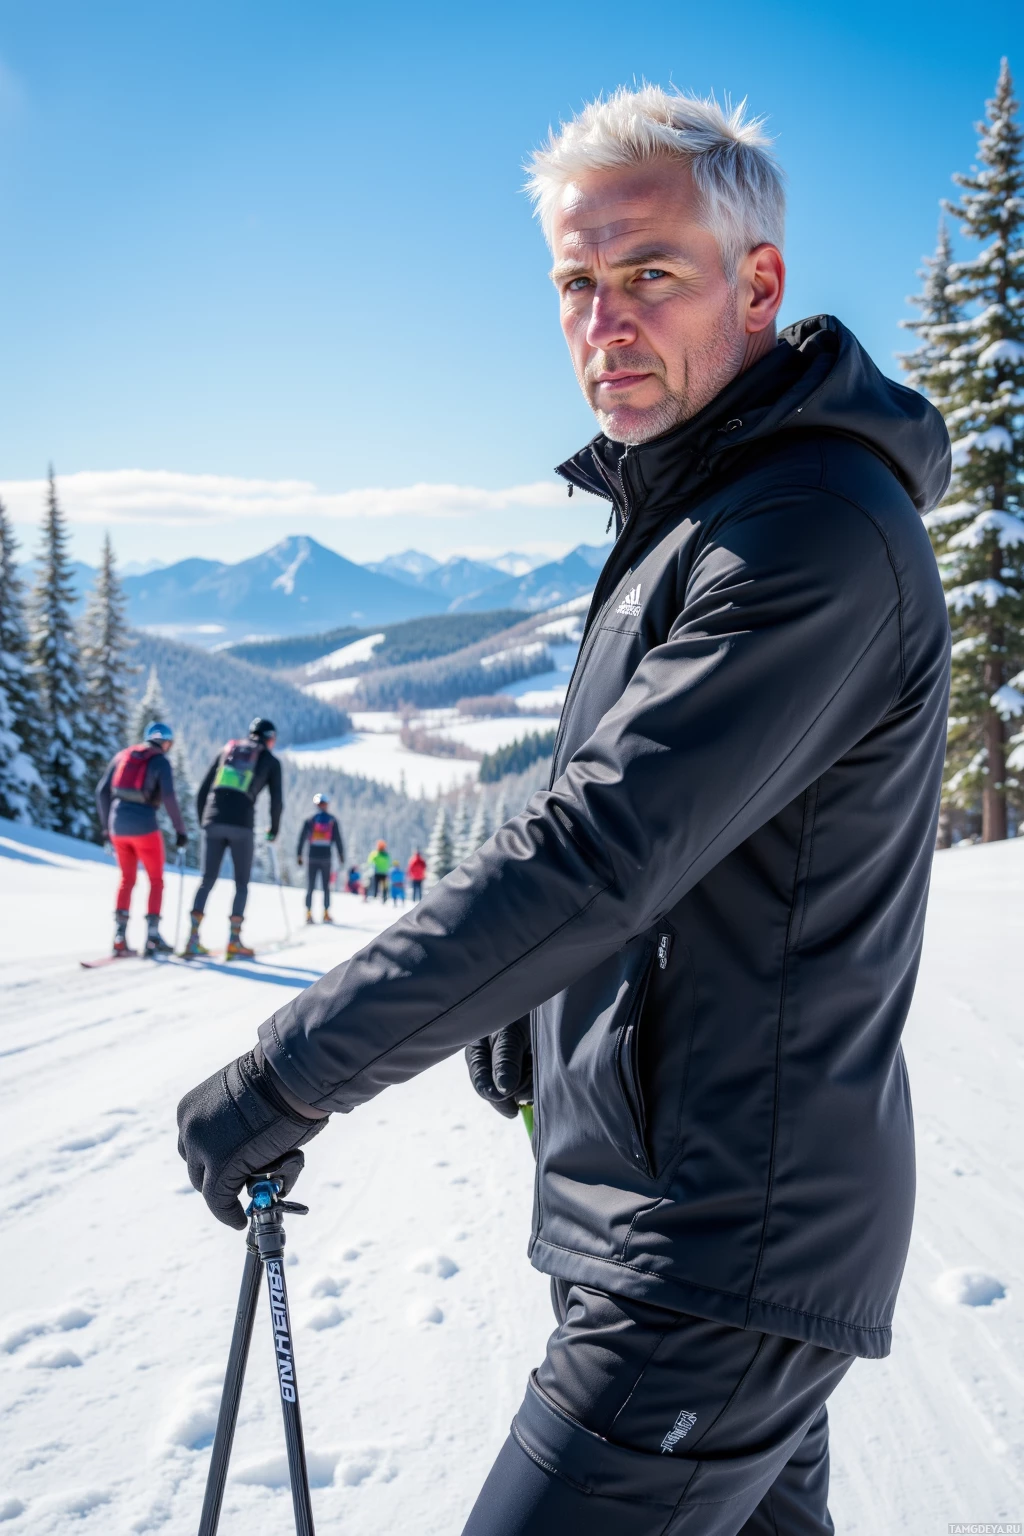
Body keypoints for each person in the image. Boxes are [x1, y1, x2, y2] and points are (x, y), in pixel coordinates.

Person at [178, 86, 952, 1536]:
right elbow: (693, 854)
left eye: (649, 273)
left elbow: (600, 851)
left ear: (760, 283)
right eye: (578, 284)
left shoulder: (807, 535)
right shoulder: (695, 515)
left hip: (714, 1249)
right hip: (681, 1218)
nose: (605, 320)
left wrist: (290, 1075)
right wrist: (525, 1017)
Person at [185, 717, 282, 960]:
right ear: (269, 738)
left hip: (213, 821)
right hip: (242, 824)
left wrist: (204, 821)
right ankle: (234, 941)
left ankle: (192, 939)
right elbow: (277, 801)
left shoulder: (227, 750)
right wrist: (274, 830)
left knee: (207, 879)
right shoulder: (270, 760)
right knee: (241, 883)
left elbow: (203, 790)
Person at [96, 720, 188, 956]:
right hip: (145, 826)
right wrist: (180, 830)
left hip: (117, 826)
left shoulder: (123, 755)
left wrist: (107, 828)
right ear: (166, 742)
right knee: (156, 880)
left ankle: (119, 936)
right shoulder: (160, 761)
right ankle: (152, 937)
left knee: (127, 879)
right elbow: (168, 796)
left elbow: (101, 791)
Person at [296, 793, 344, 924]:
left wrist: (299, 854)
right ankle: (326, 913)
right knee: (326, 886)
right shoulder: (332, 820)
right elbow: (338, 839)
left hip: (312, 856)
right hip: (326, 857)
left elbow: (302, 838)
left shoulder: (310, 820)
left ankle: (308, 913)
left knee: (310, 886)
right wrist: (341, 855)